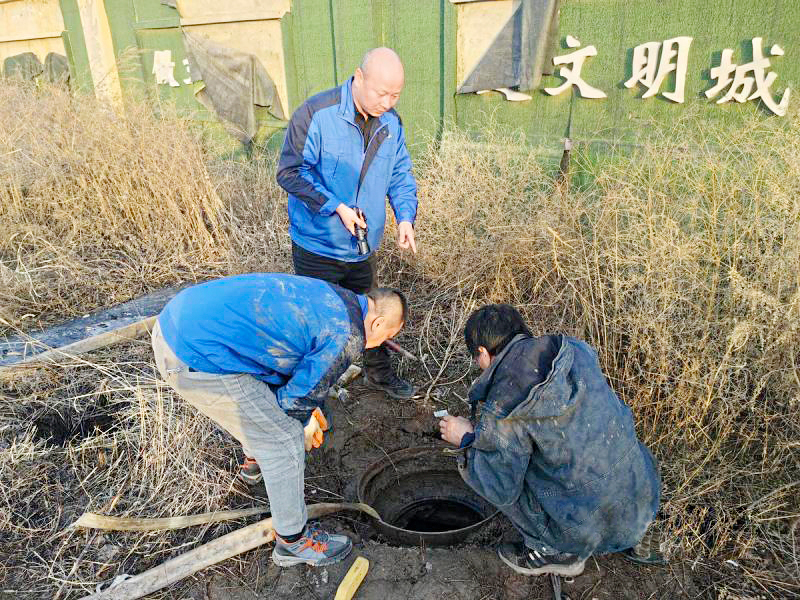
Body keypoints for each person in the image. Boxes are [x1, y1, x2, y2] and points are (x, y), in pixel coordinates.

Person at [151, 273, 407, 567]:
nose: (380, 344)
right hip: (195, 356)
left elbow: (290, 362)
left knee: (266, 410)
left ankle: (254, 460)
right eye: (386, 337)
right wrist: (303, 420)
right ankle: (292, 542)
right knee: (283, 440)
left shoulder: (338, 298)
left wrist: (307, 405)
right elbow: (293, 403)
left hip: (179, 319)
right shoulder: (348, 336)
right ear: (376, 323)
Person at [439, 304, 660, 577]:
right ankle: (639, 536)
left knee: (498, 469)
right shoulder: (573, 349)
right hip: (643, 497)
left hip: (586, 528)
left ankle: (556, 551)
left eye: (476, 358)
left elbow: (499, 487)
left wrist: (468, 438)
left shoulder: (507, 401)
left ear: (482, 352)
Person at [276, 46, 418, 400]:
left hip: (362, 245)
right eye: (382, 93)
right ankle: (314, 389)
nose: (388, 101)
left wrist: (404, 216)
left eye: (396, 95)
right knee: (318, 320)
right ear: (358, 77)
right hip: (317, 244)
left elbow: (400, 174)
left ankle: (379, 374)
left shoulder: (391, 123)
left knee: (372, 313)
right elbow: (290, 172)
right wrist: (335, 205)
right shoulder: (315, 113)